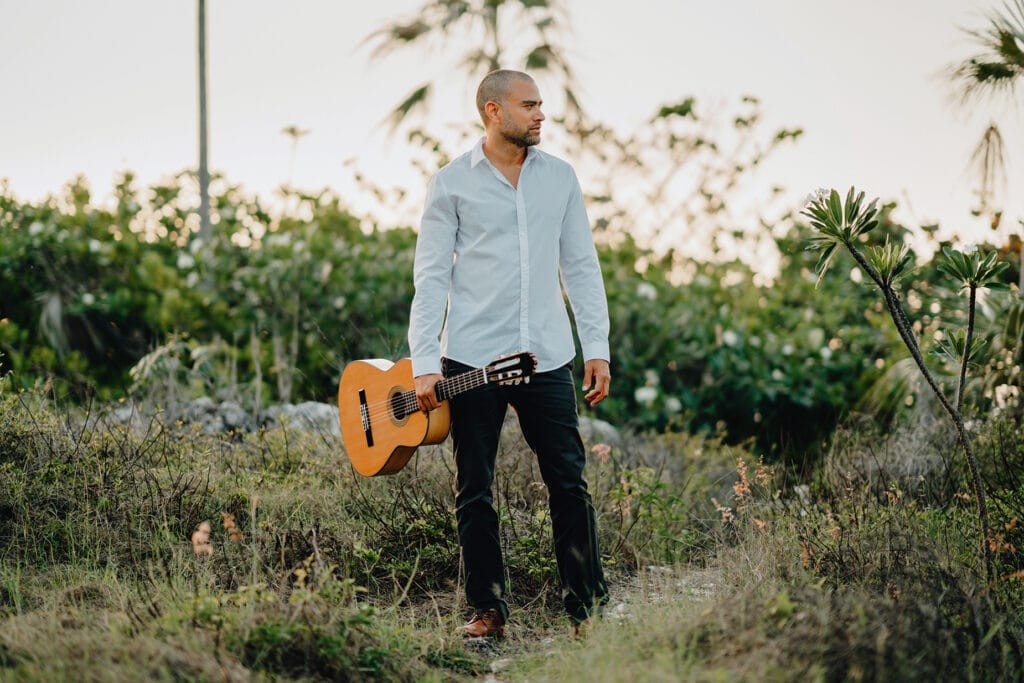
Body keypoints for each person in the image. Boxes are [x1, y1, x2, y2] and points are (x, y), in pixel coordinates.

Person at [408, 69, 611, 638]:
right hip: (471, 361)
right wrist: (424, 361)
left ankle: (586, 610)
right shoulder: (450, 183)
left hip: (546, 357)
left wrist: (597, 346)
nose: (541, 114)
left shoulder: (560, 178)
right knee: (475, 488)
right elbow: (430, 278)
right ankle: (487, 610)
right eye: (529, 105)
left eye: (541, 104)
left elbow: (581, 266)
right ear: (493, 112)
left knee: (568, 482)